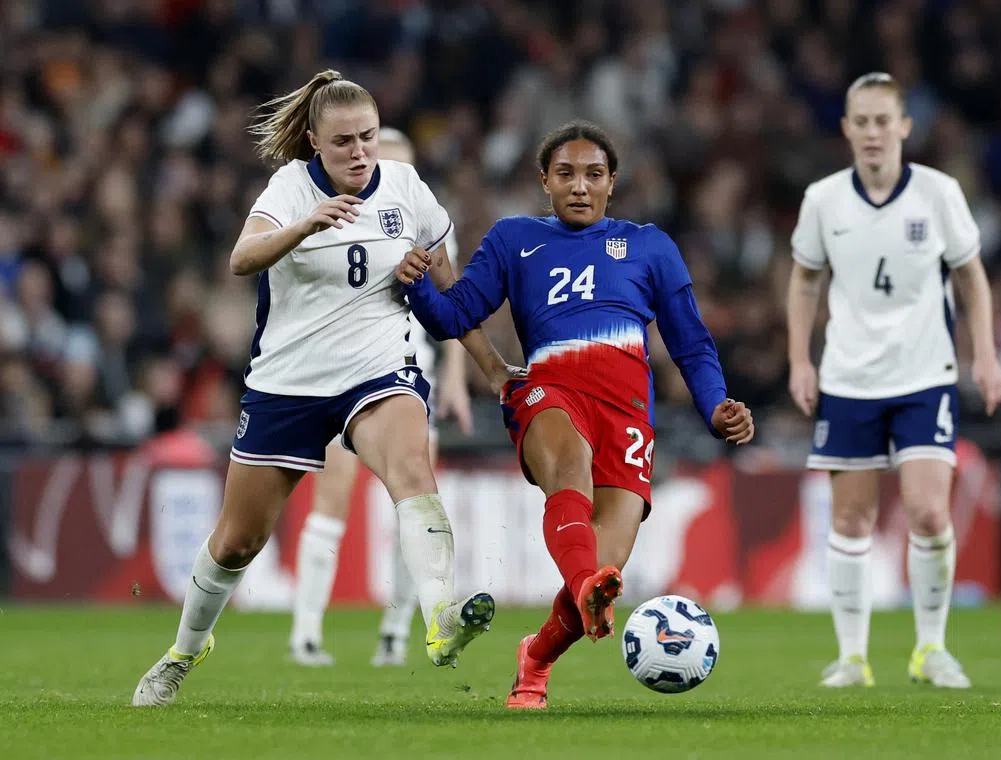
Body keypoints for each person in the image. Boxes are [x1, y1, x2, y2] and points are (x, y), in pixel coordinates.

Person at [132, 70, 511, 707]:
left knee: (413, 470)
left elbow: (451, 292)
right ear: (314, 142)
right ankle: (184, 651)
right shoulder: (287, 189)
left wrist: (493, 368)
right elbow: (240, 259)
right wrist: (304, 226)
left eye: (367, 137)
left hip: (378, 369)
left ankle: (440, 620)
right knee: (237, 541)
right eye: (343, 143)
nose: (360, 152)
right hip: (289, 382)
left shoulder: (407, 190)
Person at [396, 120, 755, 709]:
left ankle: (535, 658)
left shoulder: (651, 246)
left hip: (628, 415)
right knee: (570, 468)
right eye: (566, 174)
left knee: (601, 576)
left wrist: (716, 405)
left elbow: (691, 342)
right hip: (547, 392)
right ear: (545, 181)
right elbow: (454, 314)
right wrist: (415, 287)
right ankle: (584, 583)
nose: (580, 186)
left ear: (612, 183)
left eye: (593, 175)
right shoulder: (515, 239)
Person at [785, 72, 1001, 689]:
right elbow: (805, 279)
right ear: (846, 130)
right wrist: (801, 361)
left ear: (904, 126)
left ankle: (930, 649)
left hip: (924, 374)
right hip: (849, 376)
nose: (873, 133)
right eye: (861, 122)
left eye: (883, 121)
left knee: (928, 512)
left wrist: (985, 355)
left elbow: (971, 277)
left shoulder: (938, 194)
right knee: (851, 522)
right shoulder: (823, 199)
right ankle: (853, 658)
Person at [287, 127, 474, 668]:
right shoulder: (337, 219)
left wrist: (457, 380)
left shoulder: (429, 226)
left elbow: (454, 305)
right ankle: (305, 632)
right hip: (345, 379)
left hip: (412, 381)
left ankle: (395, 632)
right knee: (332, 504)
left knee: (411, 506)